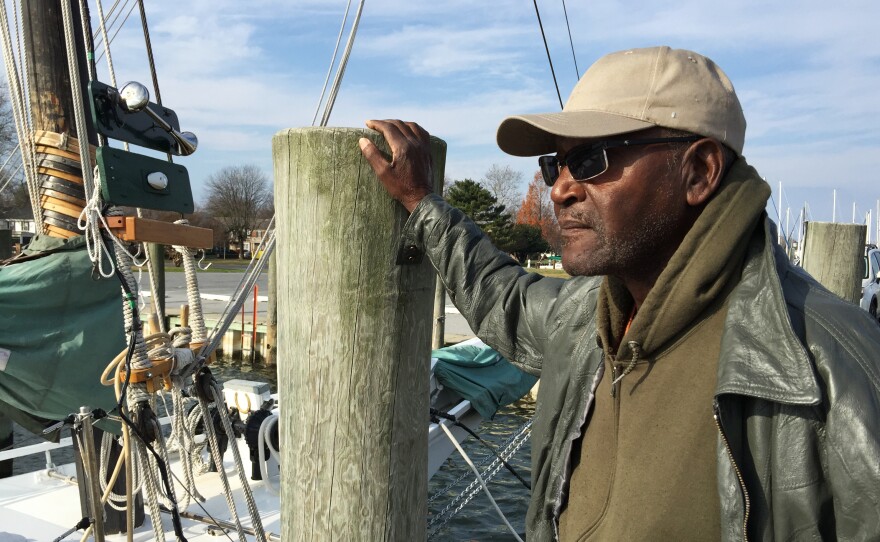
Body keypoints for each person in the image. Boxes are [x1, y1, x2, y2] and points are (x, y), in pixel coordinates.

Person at [359, 46, 880, 541]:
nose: (559, 188)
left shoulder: (831, 367)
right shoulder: (586, 317)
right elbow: (504, 299)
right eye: (553, 164)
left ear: (698, 172)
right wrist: (421, 202)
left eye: (590, 160)